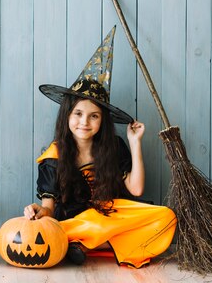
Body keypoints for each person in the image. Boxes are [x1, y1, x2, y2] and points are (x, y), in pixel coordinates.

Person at [24, 27, 176, 268]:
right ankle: (77, 237)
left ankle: (82, 244)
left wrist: (135, 143)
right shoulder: (53, 157)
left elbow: (135, 189)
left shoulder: (113, 146)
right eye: (78, 114)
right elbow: (49, 209)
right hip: (75, 221)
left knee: (166, 218)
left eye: (94, 116)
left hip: (111, 215)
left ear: (102, 121)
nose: (84, 122)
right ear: (67, 116)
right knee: (85, 223)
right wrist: (38, 213)